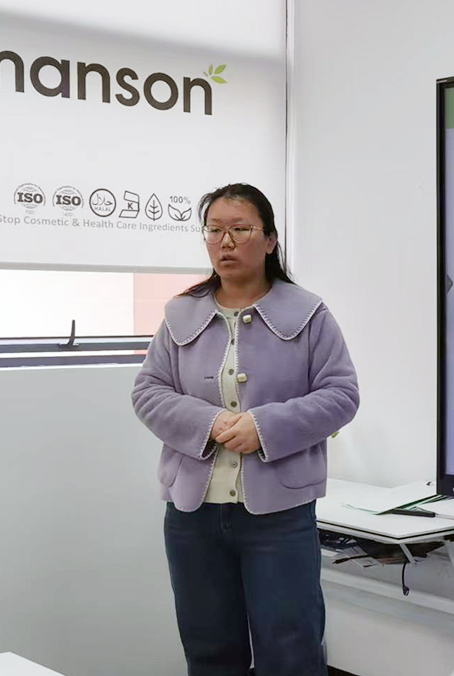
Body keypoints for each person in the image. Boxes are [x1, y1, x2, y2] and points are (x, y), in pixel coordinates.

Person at [131, 183, 359, 676]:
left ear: (270, 240)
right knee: (209, 650)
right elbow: (148, 392)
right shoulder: (180, 314)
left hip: (279, 516)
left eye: (240, 229)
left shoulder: (309, 313)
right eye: (215, 230)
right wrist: (209, 422)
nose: (226, 242)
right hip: (192, 515)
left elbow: (341, 395)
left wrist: (264, 426)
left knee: (290, 651)